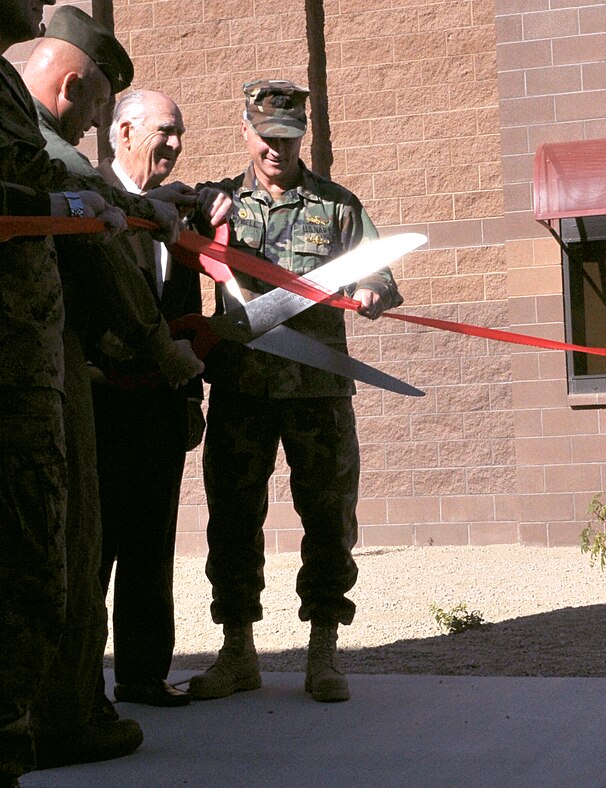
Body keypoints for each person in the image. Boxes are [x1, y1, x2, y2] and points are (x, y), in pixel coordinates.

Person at [20, 5, 203, 770]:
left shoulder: (36, 147)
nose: (93, 128)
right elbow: (102, 265)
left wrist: (146, 212)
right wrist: (169, 358)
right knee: (70, 546)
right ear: (71, 92)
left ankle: (95, 690)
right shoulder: (51, 152)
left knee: (125, 548)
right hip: (64, 379)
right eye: (98, 111)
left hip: (114, 396)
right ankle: (67, 710)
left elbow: (100, 208)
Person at [190, 78, 402, 704]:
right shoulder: (218, 203)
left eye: (288, 138)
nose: (276, 150)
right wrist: (202, 217)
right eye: (265, 137)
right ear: (245, 132)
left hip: (318, 394)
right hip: (242, 389)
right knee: (231, 518)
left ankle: (324, 650)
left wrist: (372, 294)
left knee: (329, 519)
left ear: (303, 136)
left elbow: (380, 276)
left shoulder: (337, 206)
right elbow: (179, 247)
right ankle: (237, 651)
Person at [92, 89, 203, 709]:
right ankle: (81, 685)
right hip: (101, 402)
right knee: (93, 547)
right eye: (166, 131)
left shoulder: (177, 210)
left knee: (151, 544)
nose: (176, 144)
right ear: (126, 132)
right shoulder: (93, 199)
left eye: (180, 132)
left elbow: (184, 312)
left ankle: (141, 674)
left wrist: (189, 401)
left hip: (160, 405)